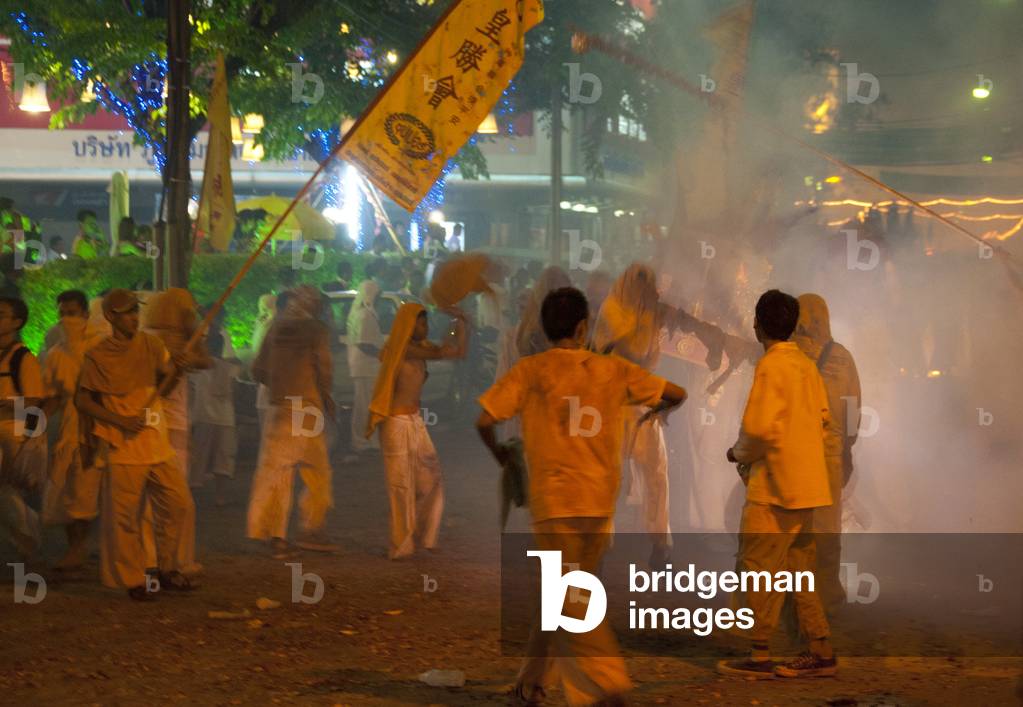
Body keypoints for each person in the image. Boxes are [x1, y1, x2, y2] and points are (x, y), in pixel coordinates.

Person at [476, 287, 687, 706]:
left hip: (555, 503)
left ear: (545, 329)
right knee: (564, 593)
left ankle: (608, 683)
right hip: (599, 503)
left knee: (570, 598)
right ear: (583, 327)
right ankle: (531, 683)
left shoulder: (532, 371)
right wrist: (657, 412)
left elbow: (485, 420)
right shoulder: (613, 370)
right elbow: (677, 393)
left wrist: (501, 454)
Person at [719, 289, 836, 679]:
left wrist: (737, 453)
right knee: (800, 572)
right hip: (807, 489)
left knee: (757, 569)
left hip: (774, 491)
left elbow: (757, 429)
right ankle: (820, 650)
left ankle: (759, 655)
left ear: (758, 325)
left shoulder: (770, 366)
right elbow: (823, 419)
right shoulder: (806, 365)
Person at [74, 289, 198, 599]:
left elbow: (165, 386)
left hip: (156, 441)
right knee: (125, 518)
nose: (134, 317)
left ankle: (168, 568)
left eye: (135, 310)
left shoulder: (151, 345)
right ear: (111, 316)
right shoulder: (98, 355)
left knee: (179, 504)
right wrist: (119, 421)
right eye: (127, 312)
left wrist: (179, 369)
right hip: (124, 446)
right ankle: (134, 580)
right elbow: (83, 400)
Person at [367, 302, 467, 559]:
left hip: (414, 421)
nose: (426, 328)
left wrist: (458, 323)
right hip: (396, 423)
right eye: (421, 323)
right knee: (400, 485)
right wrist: (456, 324)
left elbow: (454, 350)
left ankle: (425, 537)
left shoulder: (419, 349)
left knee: (431, 478)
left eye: (426, 323)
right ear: (408, 325)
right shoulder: (399, 349)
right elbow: (442, 352)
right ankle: (401, 545)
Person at [247, 285, 336, 556]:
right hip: (307, 406)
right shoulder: (316, 330)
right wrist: (326, 397)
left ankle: (273, 535)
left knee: (276, 471)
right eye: (319, 303)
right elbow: (324, 369)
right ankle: (311, 529)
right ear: (312, 303)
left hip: (279, 407)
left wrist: (281, 385)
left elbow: (257, 370)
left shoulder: (275, 327)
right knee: (317, 470)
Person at [793, 293, 861, 609]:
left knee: (794, 528)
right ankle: (827, 593)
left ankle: (794, 594)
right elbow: (853, 408)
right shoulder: (843, 357)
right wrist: (847, 447)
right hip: (831, 455)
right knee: (828, 528)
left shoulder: (787, 354)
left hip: (795, 454)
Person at [142, 288, 211, 577]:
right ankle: (174, 561)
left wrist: (188, 354)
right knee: (176, 496)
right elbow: (204, 361)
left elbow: (204, 361)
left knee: (150, 498)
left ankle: (151, 559)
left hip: (153, 423)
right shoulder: (160, 340)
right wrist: (185, 357)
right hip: (167, 423)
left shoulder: (147, 337)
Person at [40, 290, 97, 569]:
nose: (67, 319)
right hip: (68, 429)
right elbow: (52, 397)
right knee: (68, 488)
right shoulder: (55, 355)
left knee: (88, 489)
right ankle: (75, 547)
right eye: (62, 313)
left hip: (97, 427)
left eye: (72, 313)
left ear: (85, 314)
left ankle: (85, 547)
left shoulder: (100, 347)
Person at [0, 296, 46, 561]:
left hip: (13, 433)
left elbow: (34, 401)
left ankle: (27, 541)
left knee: (7, 491)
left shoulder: (23, 358)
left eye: (1, 314)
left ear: (17, 322)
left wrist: (8, 404)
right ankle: (25, 542)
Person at [190, 330, 240, 506]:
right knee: (224, 458)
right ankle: (220, 496)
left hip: (203, 416)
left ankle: (192, 494)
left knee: (198, 457)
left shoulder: (198, 367)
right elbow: (235, 389)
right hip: (225, 418)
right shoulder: (230, 366)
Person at [347, 279, 384, 457]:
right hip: (366, 367)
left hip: (364, 367)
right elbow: (365, 344)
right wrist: (383, 355)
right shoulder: (365, 315)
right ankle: (362, 441)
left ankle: (367, 440)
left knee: (365, 406)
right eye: (378, 296)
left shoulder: (361, 313)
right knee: (364, 407)